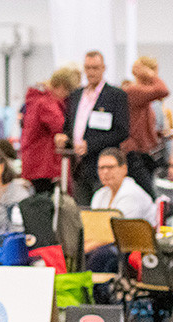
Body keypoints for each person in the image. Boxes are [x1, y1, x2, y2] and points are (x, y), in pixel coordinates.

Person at [56, 51, 130, 206]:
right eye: (88, 68)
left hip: (103, 167)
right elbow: (69, 126)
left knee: (101, 211)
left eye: (95, 68)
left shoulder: (116, 95)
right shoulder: (76, 95)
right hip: (78, 166)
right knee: (82, 213)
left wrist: (90, 145)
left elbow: (122, 131)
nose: (91, 72)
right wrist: (64, 137)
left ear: (103, 68)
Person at [88, 147, 157, 271]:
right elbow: (94, 229)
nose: (105, 172)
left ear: (124, 169)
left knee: (99, 257)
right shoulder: (99, 195)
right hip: (107, 243)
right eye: (101, 168)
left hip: (136, 247)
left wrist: (89, 246)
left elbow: (119, 235)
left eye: (110, 167)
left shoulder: (131, 193)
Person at [21, 67, 80, 194]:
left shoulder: (37, 99)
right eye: (68, 91)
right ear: (62, 86)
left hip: (34, 162)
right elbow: (63, 126)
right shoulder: (47, 104)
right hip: (43, 165)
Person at [121, 56, 168, 198]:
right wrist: (151, 75)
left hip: (145, 153)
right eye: (154, 72)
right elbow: (163, 90)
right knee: (152, 196)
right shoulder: (135, 91)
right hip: (135, 153)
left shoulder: (142, 96)